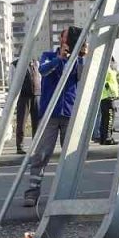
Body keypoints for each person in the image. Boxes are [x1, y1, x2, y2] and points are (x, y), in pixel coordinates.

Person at [23, 26, 86, 208]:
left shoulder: (79, 60)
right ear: (61, 40)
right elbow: (43, 71)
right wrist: (60, 59)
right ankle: (32, 193)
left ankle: (67, 195)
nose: (69, 41)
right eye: (67, 37)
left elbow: (84, 77)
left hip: (69, 113)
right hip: (50, 113)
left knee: (70, 157)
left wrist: (81, 57)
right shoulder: (49, 55)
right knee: (42, 154)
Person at [14, 58, 41, 155]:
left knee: (37, 122)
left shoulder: (36, 63)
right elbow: (11, 81)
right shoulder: (16, 64)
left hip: (37, 95)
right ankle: (20, 146)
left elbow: (39, 77)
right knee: (21, 122)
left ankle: (36, 145)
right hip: (23, 97)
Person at [94, 57, 119, 145]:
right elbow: (105, 81)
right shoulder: (107, 68)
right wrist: (109, 90)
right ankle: (107, 138)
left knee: (105, 119)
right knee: (109, 118)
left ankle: (103, 138)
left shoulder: (109, 69)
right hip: (108, 96)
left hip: (106, 96)